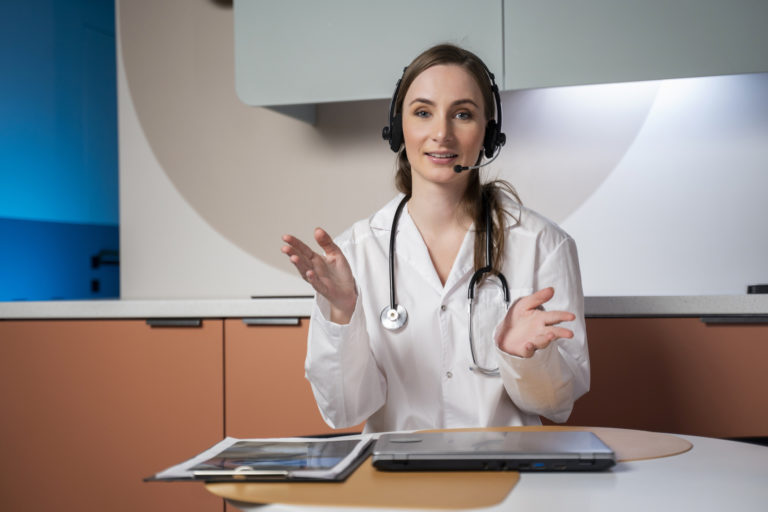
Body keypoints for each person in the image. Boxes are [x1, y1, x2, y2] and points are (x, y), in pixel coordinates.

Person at [281, 44, 589, 433]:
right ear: (398, 129)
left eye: (462, 114)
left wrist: (523, 357)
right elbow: (344, 411)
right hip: (397, 484)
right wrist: (343, 314)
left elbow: (559, 405)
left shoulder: (542, 244)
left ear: (488, 134)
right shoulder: (354, 254)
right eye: (423, 112)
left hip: (507, 475)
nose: (441, 133)